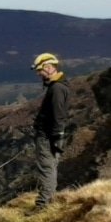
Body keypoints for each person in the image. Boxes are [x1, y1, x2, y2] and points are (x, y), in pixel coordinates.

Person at [31, 53, 70, 210]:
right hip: (50, 135)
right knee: (50, 168)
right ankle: (48, 201)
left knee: (47, 169)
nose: (38, 74)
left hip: (47, 136)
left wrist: (55, 137)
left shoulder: (57, 89)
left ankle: (43, 206)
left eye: (40, 70)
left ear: (48, 68)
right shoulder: (59, 86)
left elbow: (58, 115)